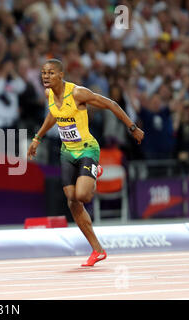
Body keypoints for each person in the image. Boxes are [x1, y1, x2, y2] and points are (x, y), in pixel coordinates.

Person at [27, 59, 144, 267]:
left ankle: (94, 172)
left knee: (83, 195)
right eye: (44, 73)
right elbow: (53, 115)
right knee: (72, 199)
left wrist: (132, 127)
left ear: (61, 75)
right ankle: (97, 250)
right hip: (67, 152)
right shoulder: (49, 95)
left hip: (87, 149)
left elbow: (110, 104)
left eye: (51, 73)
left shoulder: (77, 93)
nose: (46, 76)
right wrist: (37, 138)